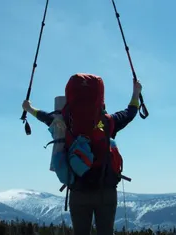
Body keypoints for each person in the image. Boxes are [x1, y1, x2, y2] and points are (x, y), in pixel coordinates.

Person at [22, 74, 142, 235]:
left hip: (78, 191)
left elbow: (44, 116)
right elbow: (131, 112)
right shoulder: (105, 123)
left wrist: (29, 108)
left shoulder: (65, 122)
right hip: (105, 191)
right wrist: (136, 92)